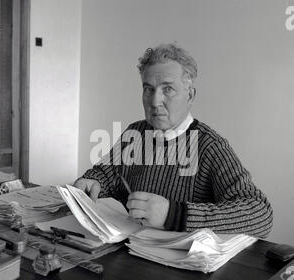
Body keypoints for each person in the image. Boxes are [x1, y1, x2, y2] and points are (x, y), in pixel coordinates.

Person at [74, 43, 273, 238]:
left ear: (190, 95)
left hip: (183, 265)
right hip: (130, 253)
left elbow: (260, 214)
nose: (154, 101)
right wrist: (93, 181)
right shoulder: (135, 132)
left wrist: (174, 215)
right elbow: (108, 174)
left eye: (167, 89)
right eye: (148, 89)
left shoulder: (210, 146)